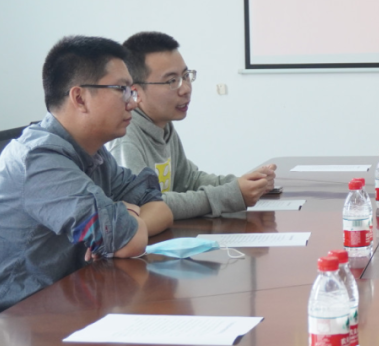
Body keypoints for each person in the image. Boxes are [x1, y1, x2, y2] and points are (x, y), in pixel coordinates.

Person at [0, 36, 173, 326]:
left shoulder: (93, 153)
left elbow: (158, 207)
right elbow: (130, 242)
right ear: (79, 98)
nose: (133, 102)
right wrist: (125, 223)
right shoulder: (39, 159)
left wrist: (126, 219)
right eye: (121, 89)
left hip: (43, 312)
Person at [107, 32, 276, 220]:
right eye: (172, 81)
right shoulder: (126, 139)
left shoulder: (163, 125)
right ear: (136, 92)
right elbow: (146, 206)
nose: (186, 89)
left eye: (186, 76)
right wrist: (232, 195)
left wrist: (245, 183)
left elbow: (188, 180)